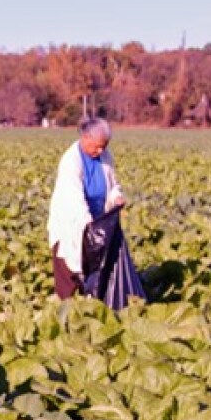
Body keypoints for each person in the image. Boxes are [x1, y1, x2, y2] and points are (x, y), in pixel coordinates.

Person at [45, 117, 144, 306]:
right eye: (97, 146)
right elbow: (74, 199)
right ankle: (66, 313)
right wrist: (88, 225)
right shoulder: (70, 162)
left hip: (98, 222)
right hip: (72, 223)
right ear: (85, 137)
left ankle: (95, 303)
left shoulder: (105, 156)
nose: (100, 151)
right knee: (68, 270)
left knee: (97, 269)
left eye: (104, 146)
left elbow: (113, 184)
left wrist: (116, 197)